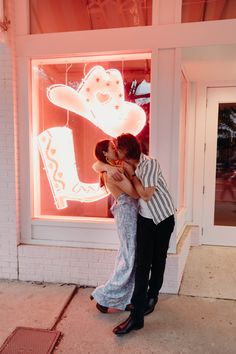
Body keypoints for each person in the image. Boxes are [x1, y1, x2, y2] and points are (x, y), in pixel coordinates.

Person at [101, 134, 175, 335]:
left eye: (118, 147)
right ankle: (137, 316)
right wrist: (107, 167)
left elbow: (145, 194)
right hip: (144, 218)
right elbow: (96, 163)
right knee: (142, 265)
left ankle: (153, 296)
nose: (115, 149)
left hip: (162, 219)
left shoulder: (149, 164)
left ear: (126, 152)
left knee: (158, 260)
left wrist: (132, 174)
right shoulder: (121, 162)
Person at [90, 139, 139, 313]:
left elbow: (96, 165)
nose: (116, 149)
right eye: (112, 148)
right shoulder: (112, 172)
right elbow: (133, 193)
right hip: (126, 213)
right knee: (129, 257)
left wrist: (109, 166)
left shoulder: (111, 167)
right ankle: (104, 294)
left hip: (128, 212)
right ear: (105, 153)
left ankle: (121, 298)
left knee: (127, 256)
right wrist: (131, 174)